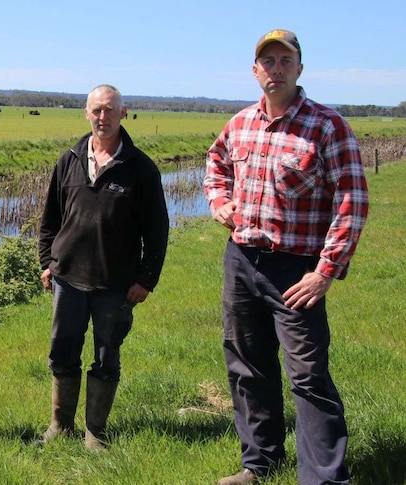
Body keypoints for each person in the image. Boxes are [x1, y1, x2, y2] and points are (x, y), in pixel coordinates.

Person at [204, 29, 369, 485]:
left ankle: (324, 478)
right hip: (241, 261)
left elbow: (352, 200)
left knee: (308, 375)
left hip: (297, 269)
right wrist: (220, 202)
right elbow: (215, 163)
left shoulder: (326, 125)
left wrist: (325, 272)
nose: (275, 69)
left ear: (299, 68)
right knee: (246, 366)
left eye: (284, 60)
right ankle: (260, 463)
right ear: (255, 70)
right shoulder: (240, 123)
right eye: (267, 62)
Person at [38, 84, 169, 450]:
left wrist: (147, 279)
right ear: (86, 113)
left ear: (123, 114)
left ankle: (95, 432)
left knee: (105, 356)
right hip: (67, 280)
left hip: (115, 285)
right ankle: (59, 426)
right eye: (96, 110)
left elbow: (157, 230)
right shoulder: (69, 159)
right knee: (62, 352)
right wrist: (47, 261)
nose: (102, 117)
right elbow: (50, 218)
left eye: (110, 110)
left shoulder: (140, 169)